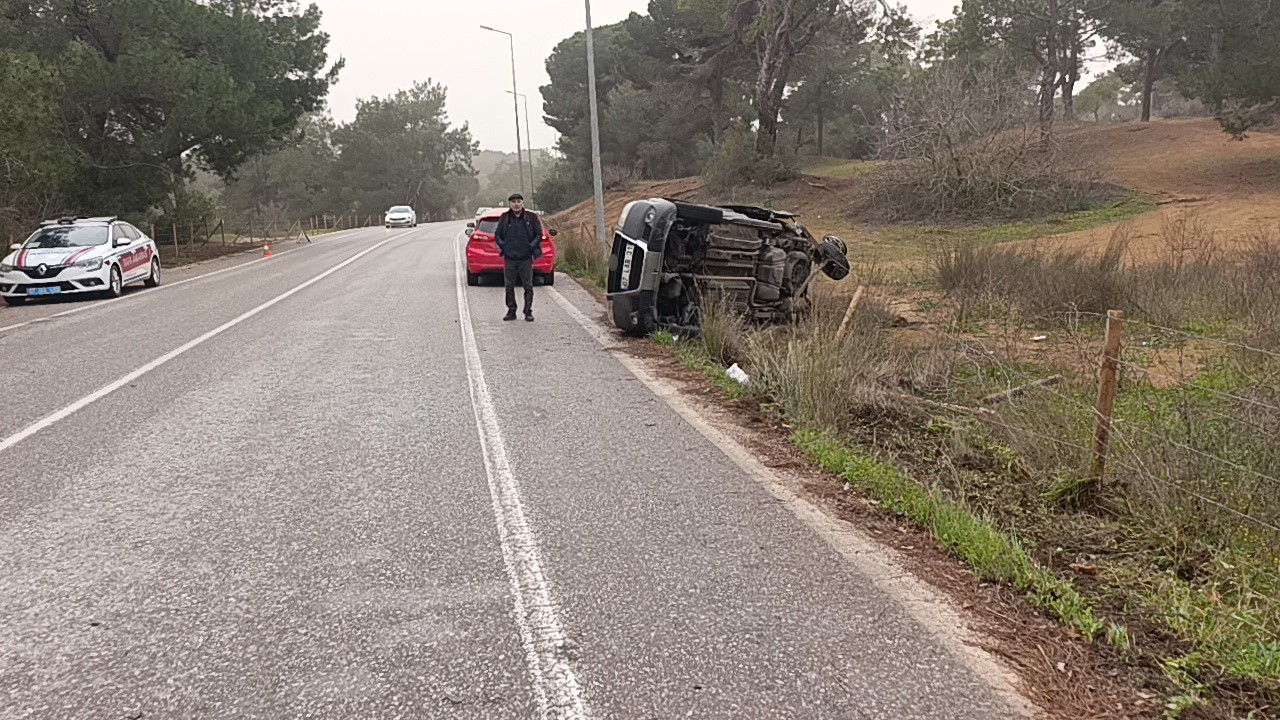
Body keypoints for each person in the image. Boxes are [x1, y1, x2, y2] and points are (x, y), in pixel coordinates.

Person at [493, 193, 543, 322]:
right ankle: (511, 310)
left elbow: (538, 234)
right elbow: (498, 234)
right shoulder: (505, 218)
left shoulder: (531, 217)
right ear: (510, 204)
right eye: (513, 202)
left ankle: (528, 311)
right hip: (510, 258)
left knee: (528, 286)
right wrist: (504, 246)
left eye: (518, 201)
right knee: (509, 285)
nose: (516, 204)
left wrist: (531, 247)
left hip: (525, 258)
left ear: (522, 203)